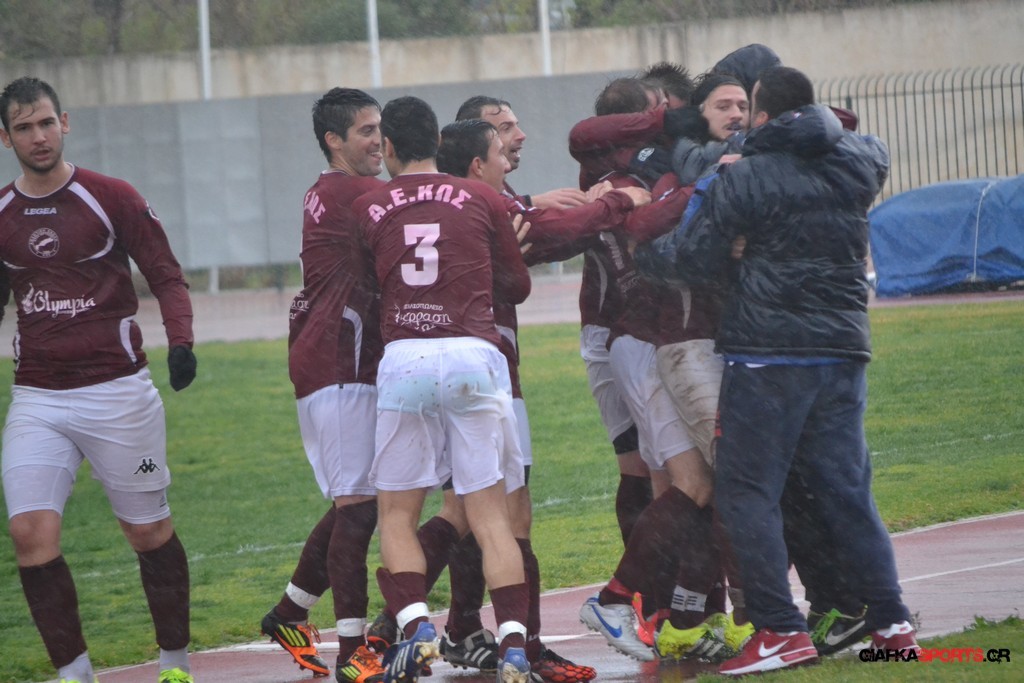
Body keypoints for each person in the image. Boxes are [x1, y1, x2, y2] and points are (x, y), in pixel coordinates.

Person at [673, 65, 920, 676]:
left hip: (769, 351)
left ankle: (780, 629)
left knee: (747, 491)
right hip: (842, 348)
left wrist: (687, 221)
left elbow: (693, 258)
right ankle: (892, 622)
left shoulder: (745, 174)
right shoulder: (861, 159)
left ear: (761, 116)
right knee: (847, 490)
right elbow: (853, 145)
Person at [0, 77, 196, 683]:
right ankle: (75, 673)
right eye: (24, 127)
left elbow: (165, 273)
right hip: (37, 396)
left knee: (148, 531)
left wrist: (181, 342)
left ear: (65, 122)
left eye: (46, 123)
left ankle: (175, 665)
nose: (38, 136)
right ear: (5, 137)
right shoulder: (2, 215)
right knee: (30, 533)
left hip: (117, 393)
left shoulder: (111, 196)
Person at [354, 95, 533, 683]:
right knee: (490, 516)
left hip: (406, 356)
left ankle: (417, 628)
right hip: (474, 356)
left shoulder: (369, 204)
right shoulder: (483, 197)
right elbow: (517, 285)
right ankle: (513, 647)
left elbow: (365, 286)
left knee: (397, 513)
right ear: (438, 141)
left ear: (387, 147)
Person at [258, 87, 387, 683]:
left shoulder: (333, 189)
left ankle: (289, 613)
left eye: (380, 128)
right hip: (341, 364)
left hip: (337, 362)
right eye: (366, 130)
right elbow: (422, 206)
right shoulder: (352, 193)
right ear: (334, 140)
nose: (379, 141)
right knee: (358, 509)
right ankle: (352, 652)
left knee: (360, 503)